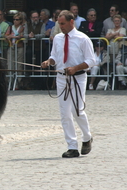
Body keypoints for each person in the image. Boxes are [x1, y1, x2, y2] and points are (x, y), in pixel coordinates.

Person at [41, 10, 95, 158]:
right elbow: (54, 55)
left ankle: (87, 137)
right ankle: (72, 146)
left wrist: (75, 68)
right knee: (65, 113)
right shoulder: (58, 38)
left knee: (77, 111)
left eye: (63, 24)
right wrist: (49, 62)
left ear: (72, 22)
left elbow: (91, 61)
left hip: (78, 78)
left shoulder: (82, 39)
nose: (61, 26)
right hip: (61, 78)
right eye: (59, 24)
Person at [5, 13, 24, 89]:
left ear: (20, 20)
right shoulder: (10, 27)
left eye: (17, 19)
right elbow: (6, 35)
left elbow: (22, 35)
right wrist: (10, 37)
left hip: (19, 47)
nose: (15, 21)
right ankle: (10, 81)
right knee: (10, 64)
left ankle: (18, 82)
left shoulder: (23, 27)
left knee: (19, 64)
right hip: (11, 46)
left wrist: (16, 36)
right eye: (14, 19)